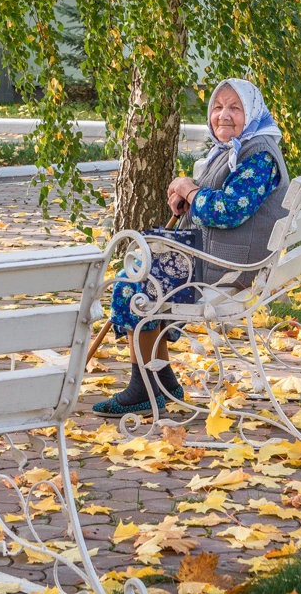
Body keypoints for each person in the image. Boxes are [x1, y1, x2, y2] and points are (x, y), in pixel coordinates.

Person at [93, 78, 290, 417]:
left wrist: (189, 189)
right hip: (224, 258)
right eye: (217, 106)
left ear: (253, 112)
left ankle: (143, 389)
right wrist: (190, 197)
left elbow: (229, 210)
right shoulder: (241, 148)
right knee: (144, 269)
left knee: (133, 283)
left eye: (234, 108)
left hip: (228, 268)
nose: (223, 116)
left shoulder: (259, 156)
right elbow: (220, 199)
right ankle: (163, 381)